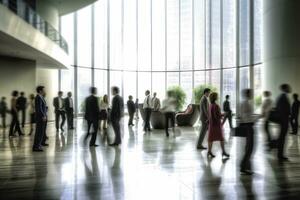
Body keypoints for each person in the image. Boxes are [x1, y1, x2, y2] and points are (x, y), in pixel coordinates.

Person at [239, 89, 258, 175]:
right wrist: (254, 119)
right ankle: (243, 167)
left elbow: (243, 116)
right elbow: (245, 116)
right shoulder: (245, 103)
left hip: (248, 126)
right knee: (250, 147)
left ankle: (246, 167)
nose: (252, 94)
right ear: (248, 94)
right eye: (251, 93)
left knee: (249, 147)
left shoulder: (245, 102)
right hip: (248, 126)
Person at [207, 92, 230, 158]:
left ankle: (209, 152)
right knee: (221, 138)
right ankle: (223, 152)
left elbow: (211, 115)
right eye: (217, 96)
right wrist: (224, 114)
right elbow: (217, 116)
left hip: (211, 125)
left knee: (210, 139)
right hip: (216, 125)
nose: (218, 97)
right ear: (215, 97)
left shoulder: (210, 105)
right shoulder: (216, 106)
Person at [276, 84, 291, 161]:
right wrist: (284, 120)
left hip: (284, 120)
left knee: (282, 138)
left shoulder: (282, 97)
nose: (290, 88)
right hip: (283, 120)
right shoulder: (282, 97)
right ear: (285, 88)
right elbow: (281, 110)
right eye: (288, 87)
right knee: (282, 138)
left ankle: (280, 154)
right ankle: (280, 155)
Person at [32, 86, 48, 152]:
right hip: (40, 117)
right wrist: (43, 116)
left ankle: (38, 145)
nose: (44, 91)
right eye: (43, 90)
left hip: (42, 117)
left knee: (41, 132)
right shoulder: (38, 97)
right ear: (40, 91)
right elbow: (39, 108)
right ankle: (36, 147)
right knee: (39, 132)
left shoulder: (41, 97)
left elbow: (43, 107)